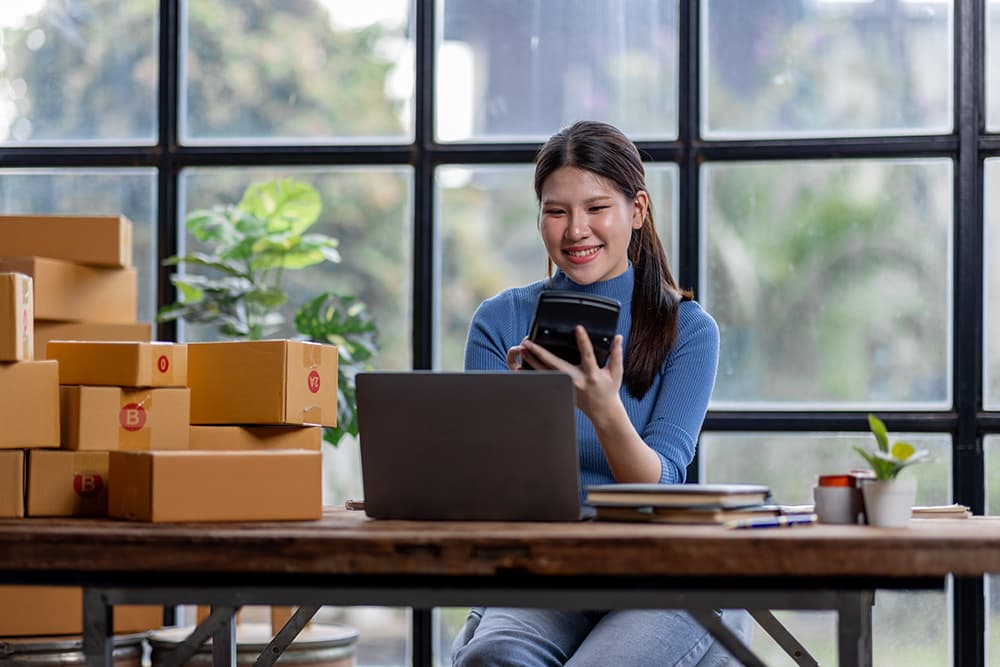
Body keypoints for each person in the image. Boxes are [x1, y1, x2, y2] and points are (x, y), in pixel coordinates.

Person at [453, 120, 749, 666]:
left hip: (659, 575)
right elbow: (486, 495)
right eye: (556, 211)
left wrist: (603, 408)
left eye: (596, 208)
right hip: (543, 574)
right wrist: (522, 418)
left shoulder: (687, 329)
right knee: (488, 658)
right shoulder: (500, 322)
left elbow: (658, 486)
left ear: (636, 211)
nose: (575, 231)